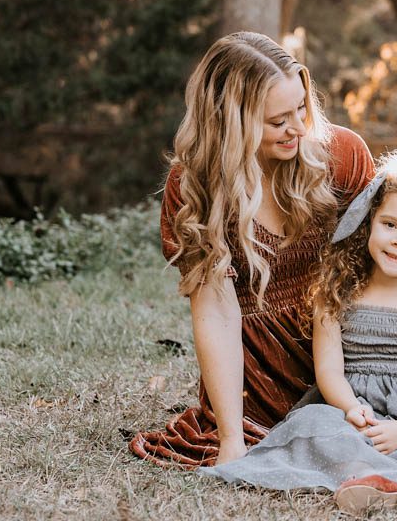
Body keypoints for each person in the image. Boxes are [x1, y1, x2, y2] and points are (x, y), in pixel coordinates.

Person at [130, 32, 375, 468]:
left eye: (301, 107)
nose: (298, 127)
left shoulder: (342, 155)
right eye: (277, 120)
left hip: (349, 351)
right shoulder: (195, 186)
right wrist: (229, 438)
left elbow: (387, 268)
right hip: (257, 377)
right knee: (273, 445)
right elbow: (215, 310)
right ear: (230, 121)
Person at [201, 150, 397, 514]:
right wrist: (351, 408)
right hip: (349, 408)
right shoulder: (336, 293)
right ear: (368, 225)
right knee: (315, 423)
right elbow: (330, 372)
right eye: (390, 225)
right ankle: (372, 476)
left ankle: (377, 472)